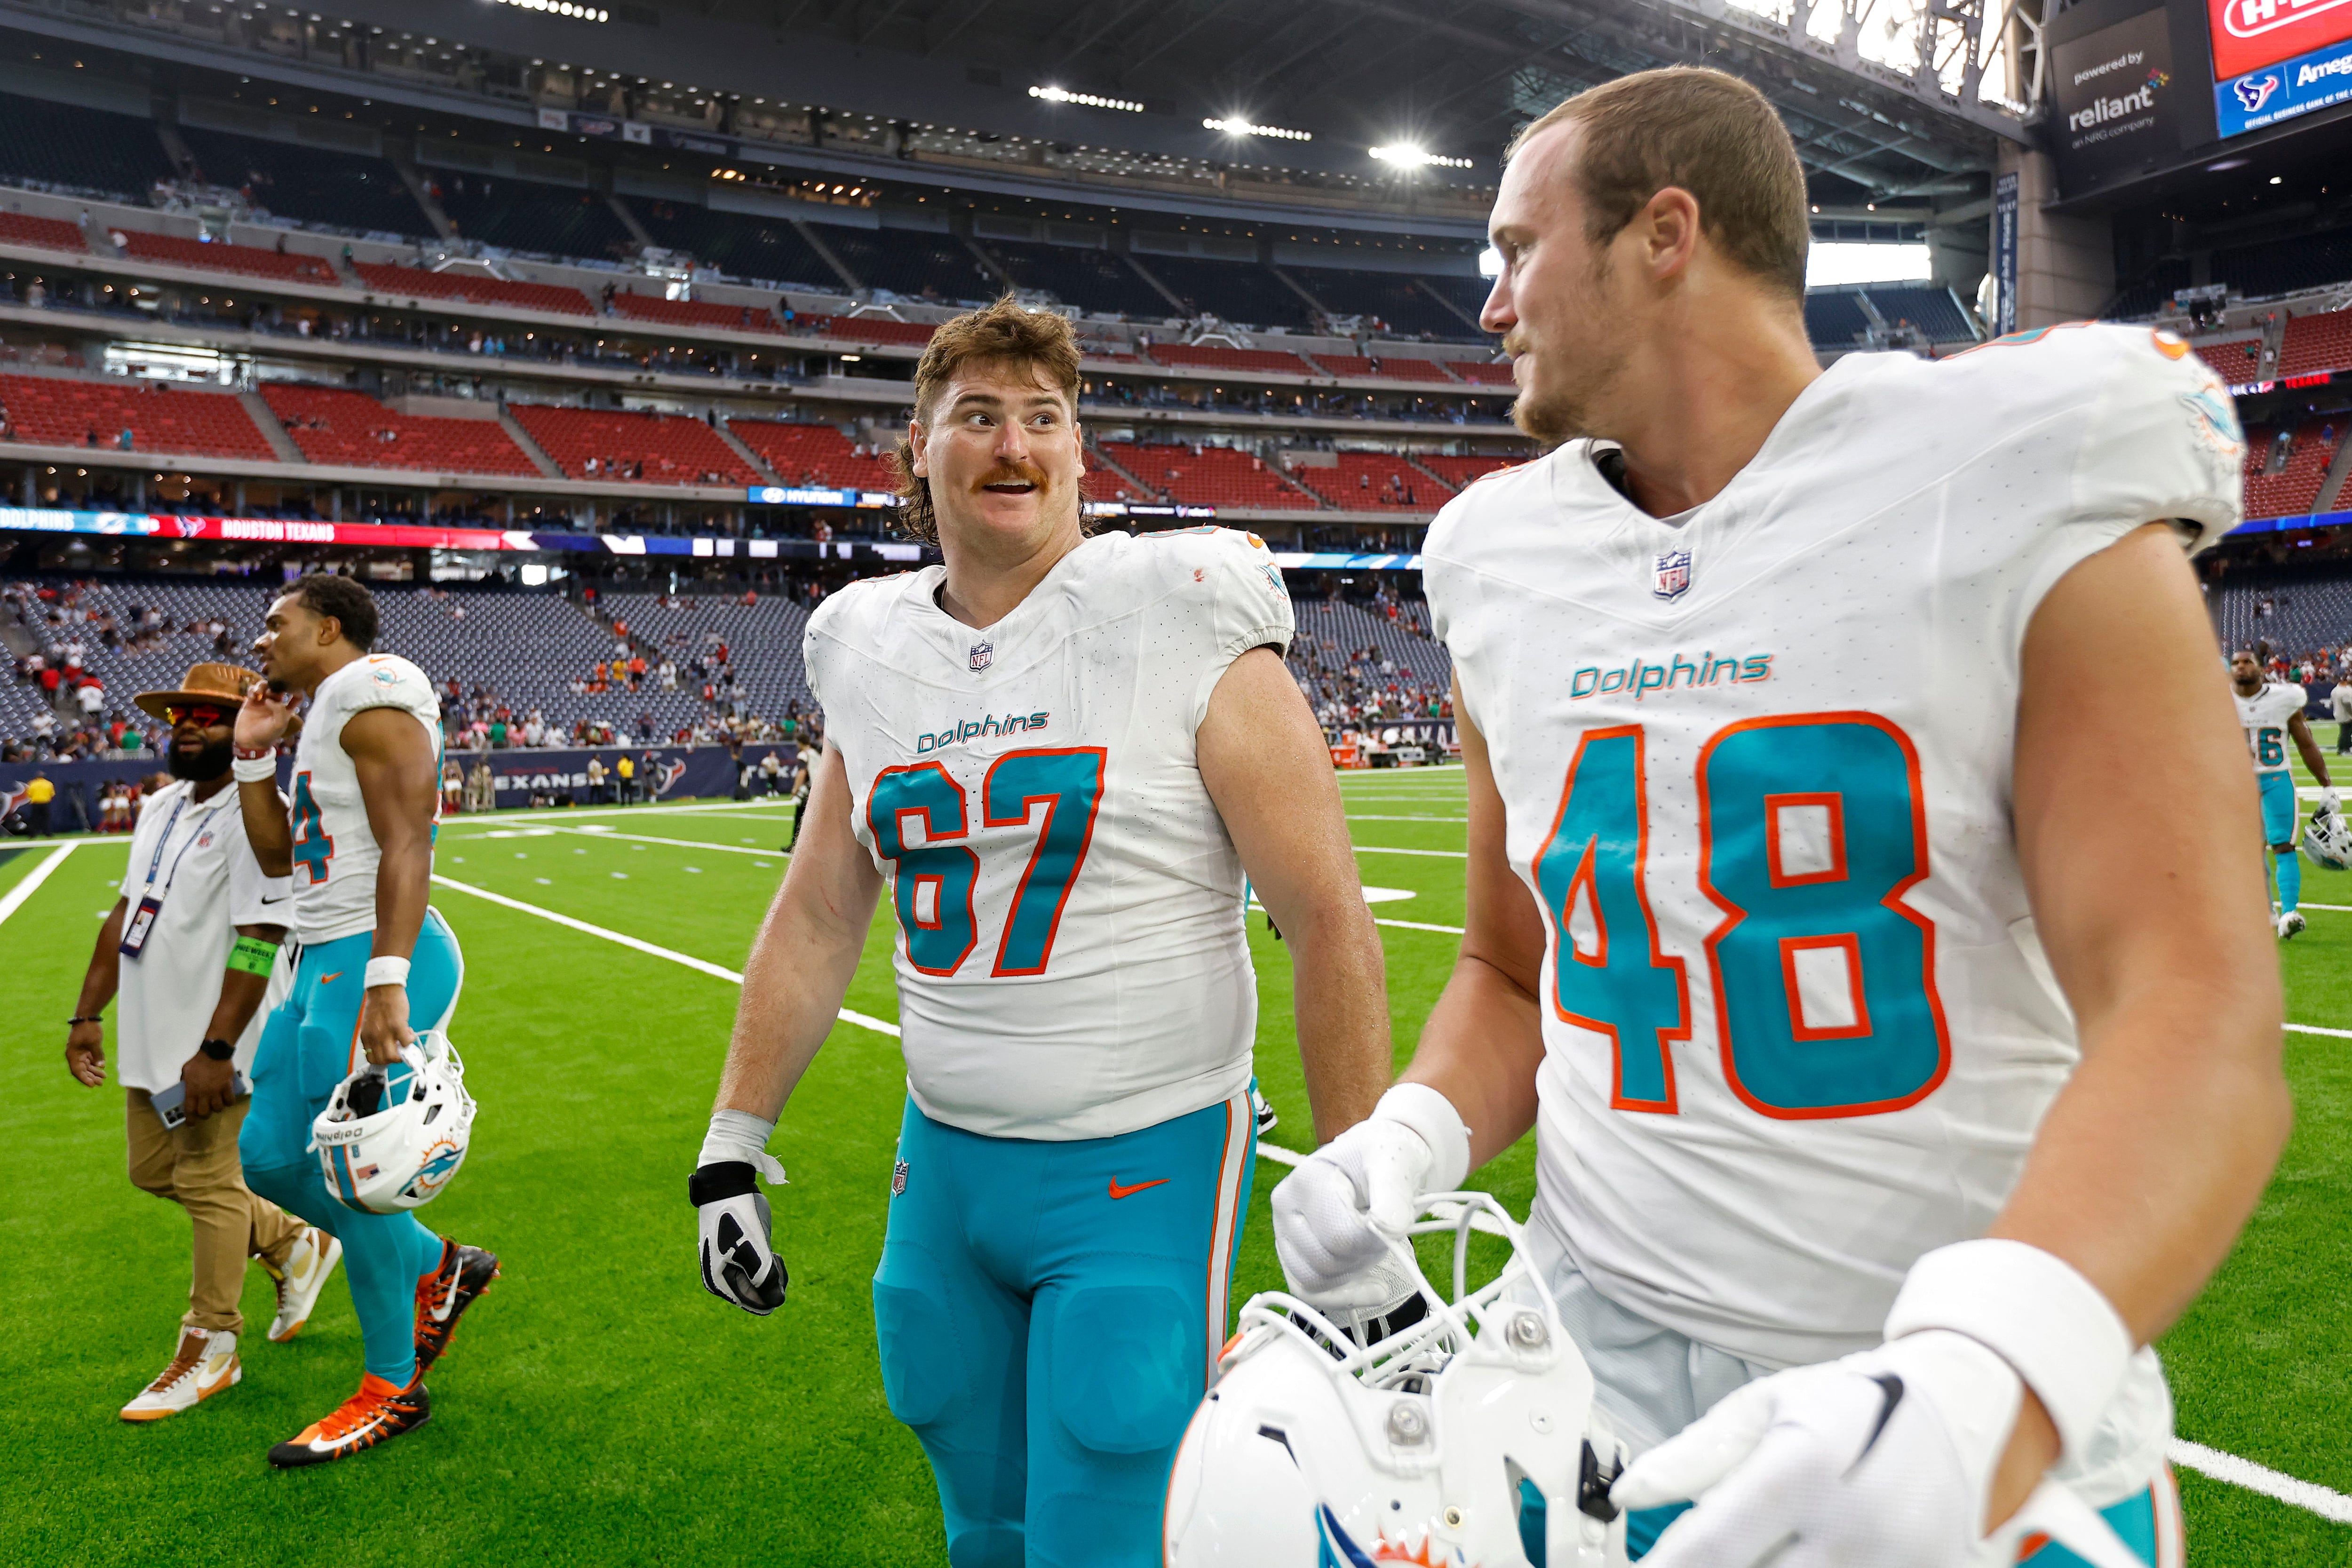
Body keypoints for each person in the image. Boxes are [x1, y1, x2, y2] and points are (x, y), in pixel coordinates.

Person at [1270, 68, 2286, 1568]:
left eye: (1513, 248)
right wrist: (1407, 1138)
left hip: (1946, 1415)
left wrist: (1985, 1377)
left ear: (1661, 232)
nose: (1486, 305)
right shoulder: (1491, 555)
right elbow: (1508, 973)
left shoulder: (2004, 463)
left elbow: (2192, 999)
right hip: (1589, 1392)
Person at [691, 297, 1392, 1566]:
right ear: (919, 446)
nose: (1012, 444)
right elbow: (818, 909)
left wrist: (1359, 1176)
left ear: (1081, 451)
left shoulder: (1179, 602)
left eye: (1043, 417)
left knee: (1109, 1505)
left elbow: (1327, 916)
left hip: (1144, 1154)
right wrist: (731, 1143)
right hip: (945, 1162)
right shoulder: (865, 640)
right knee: (979, 1507)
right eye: (977, 416)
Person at [231, 575, 497, 1468]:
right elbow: (279, 852)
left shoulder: (373, 684)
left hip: (375, 956)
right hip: (319, 954)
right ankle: (437, 1264)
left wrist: (387, 979)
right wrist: (249, 757)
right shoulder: (321, 710)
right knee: (267, 1153)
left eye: (279, 624)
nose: (262, 638)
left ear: (330, 628)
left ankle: (392, 1387)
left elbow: (412, 832)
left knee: (352, 1171)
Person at [63, 663, 338, 1423]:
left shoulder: (260, 816)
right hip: (155, 1028)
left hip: (219, 1035)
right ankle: (291, 1241)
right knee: (154, 1169)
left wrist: (219, 1046)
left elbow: (262, 933)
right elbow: (126, 912)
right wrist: (86, 1013)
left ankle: (212, 1342)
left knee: (211, 1178)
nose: (190, 724)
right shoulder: (158, 805)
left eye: (211, 717)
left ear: (247, 726)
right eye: (182, 713)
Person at [2230, 646, 2335, 939]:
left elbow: (2306, 743)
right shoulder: (2217, 699)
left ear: (2261, 668)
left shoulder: (2284, 698)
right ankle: (2267, 912)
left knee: (2283, 846)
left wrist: (2326, 785)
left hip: (2276, 779)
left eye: (2247, 662)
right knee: (2250, 852)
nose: (2240, 667)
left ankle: (2290, 912)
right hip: (2237, 785)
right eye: (2235, 663)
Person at [23, 769, 54, 836]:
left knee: (34, 819)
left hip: (36, 803)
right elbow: (52, 794)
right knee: (46, 819)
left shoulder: (32, 784)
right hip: (45, 803)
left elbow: (29, 794)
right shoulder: (48, 784)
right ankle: (48, 833)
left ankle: (33, 834)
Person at [2332, 671, 2352, 756]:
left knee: (2345, 732)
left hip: (2338, 712)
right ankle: (2344, 749)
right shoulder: (2345, 691)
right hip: (2346, 714)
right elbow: (2347, 704)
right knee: (2346, 732)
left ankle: (2344, 747)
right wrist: (2351, 714)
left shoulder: (2335, 690)